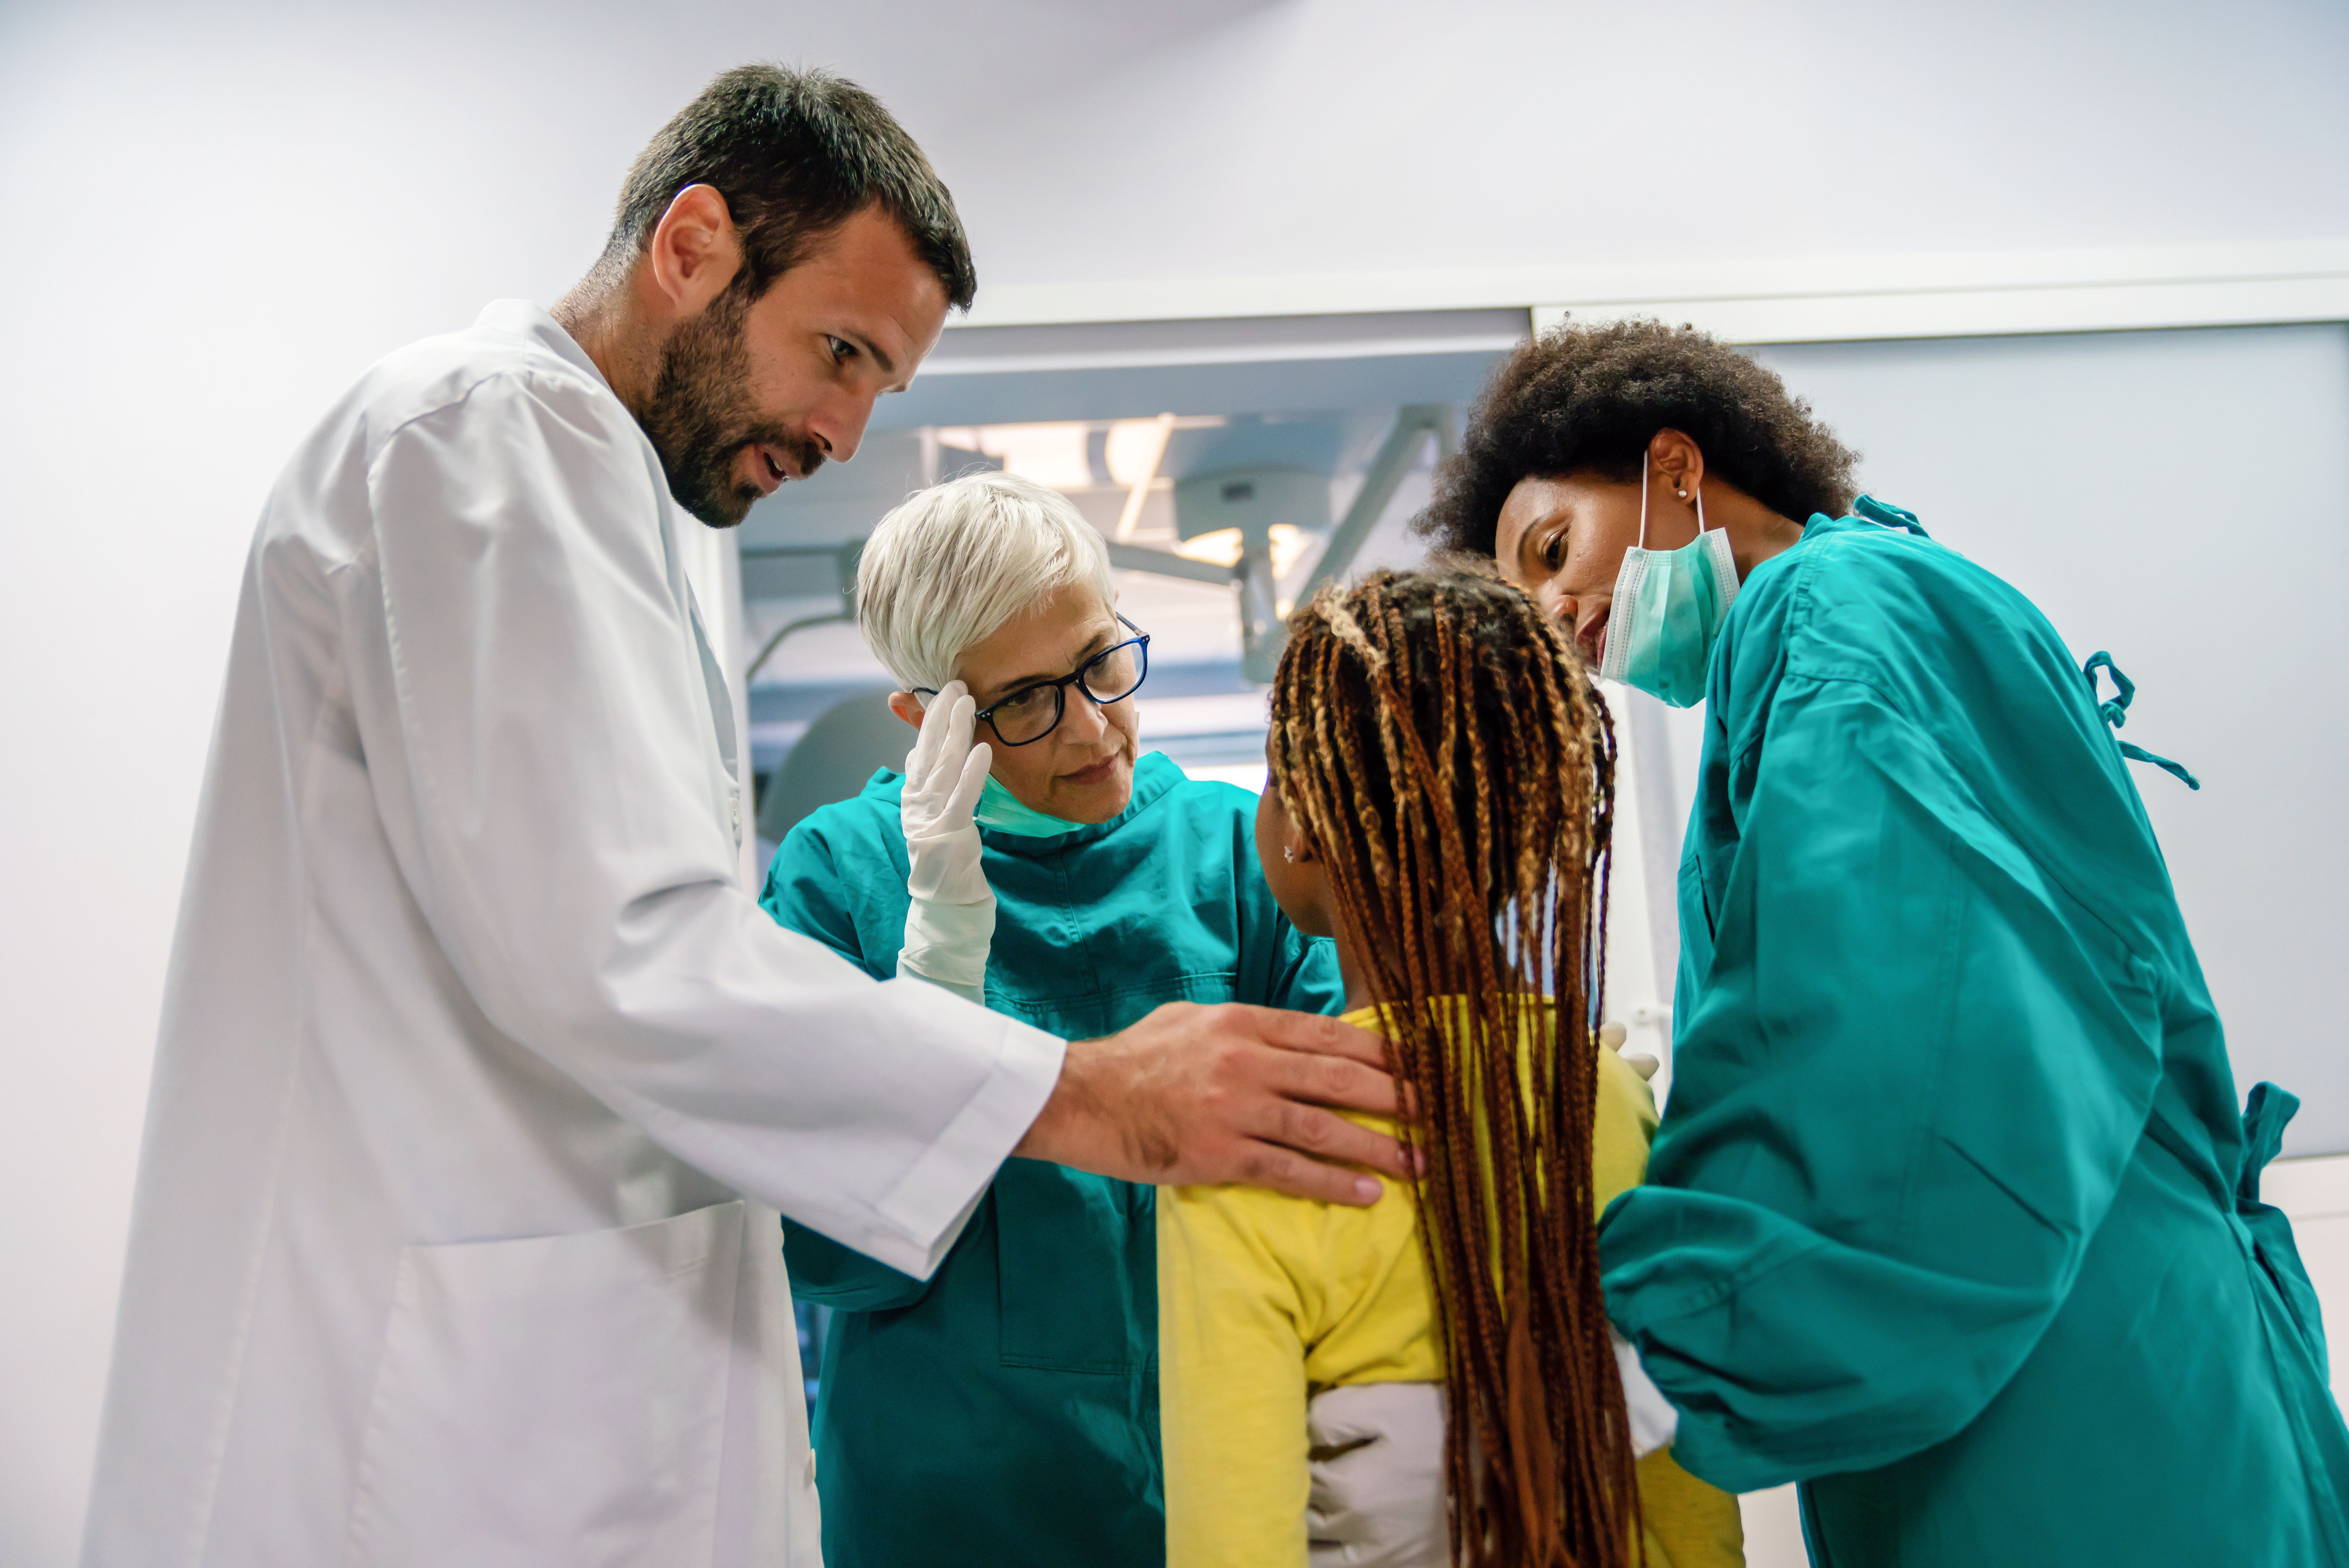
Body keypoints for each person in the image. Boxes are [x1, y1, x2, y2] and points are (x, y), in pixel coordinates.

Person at [81, 65, 1405, 1568]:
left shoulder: (583, 492)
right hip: (448, 1425)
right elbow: (618, 948)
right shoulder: (479, 437)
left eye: (878, 387)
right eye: (834, 351)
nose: (843, 429)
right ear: (692, 245)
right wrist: (1088, 1089)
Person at [1418, 318, 2349, 1565]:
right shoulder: (1854, 613)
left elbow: (1888, 1040)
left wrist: (1632, 1368)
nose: (1549, 611)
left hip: (2063, 1395)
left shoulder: (1843, 615)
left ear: (1676, 468)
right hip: (2067, 1340)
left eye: (1551, 549)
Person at [758, 470, 1346, 1567]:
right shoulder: (841, 876)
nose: (1092, 727)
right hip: (946, 1510)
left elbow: (1350, 1160)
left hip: (1232, 1484)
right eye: (1025, 701)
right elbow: (824, 1249)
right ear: (920, 715)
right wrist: (937, 952)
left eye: (1100, 663)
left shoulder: (1240, 853)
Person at [1157, 568, 1744, 1568]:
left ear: (1297, 822)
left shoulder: (1248, 1149)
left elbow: (1231, 1540)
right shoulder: (1602, 1102)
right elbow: (1684, 1492)